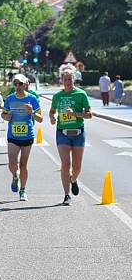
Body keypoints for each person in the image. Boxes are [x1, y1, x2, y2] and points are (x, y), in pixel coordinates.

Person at [49, 66, 92, 206]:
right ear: (61, 80)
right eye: (65, 79)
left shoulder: (81, 94)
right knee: (65, 164)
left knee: (77, 167)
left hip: (78, 133)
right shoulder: (57, 96)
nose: (68, 82)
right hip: (62, 133)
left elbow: (89, 114)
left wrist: (75, 114)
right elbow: (52, 111)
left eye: (70, 79)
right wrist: (52, 117)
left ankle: (73, 179)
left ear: (74, 80)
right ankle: (67, 195)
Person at [2, 74, 43, 201]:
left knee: (24, 165)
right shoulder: (9, 99)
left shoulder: (32, 98)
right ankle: (15, 176)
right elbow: (4, 114)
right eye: (15, 84)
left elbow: (40, 119)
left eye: (20, 84)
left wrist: (32, 112)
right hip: (13, 136)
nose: (18, 86)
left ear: (25, 84)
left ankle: (23, 190)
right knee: (12, 162)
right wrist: (6, 117)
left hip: (27, 135)